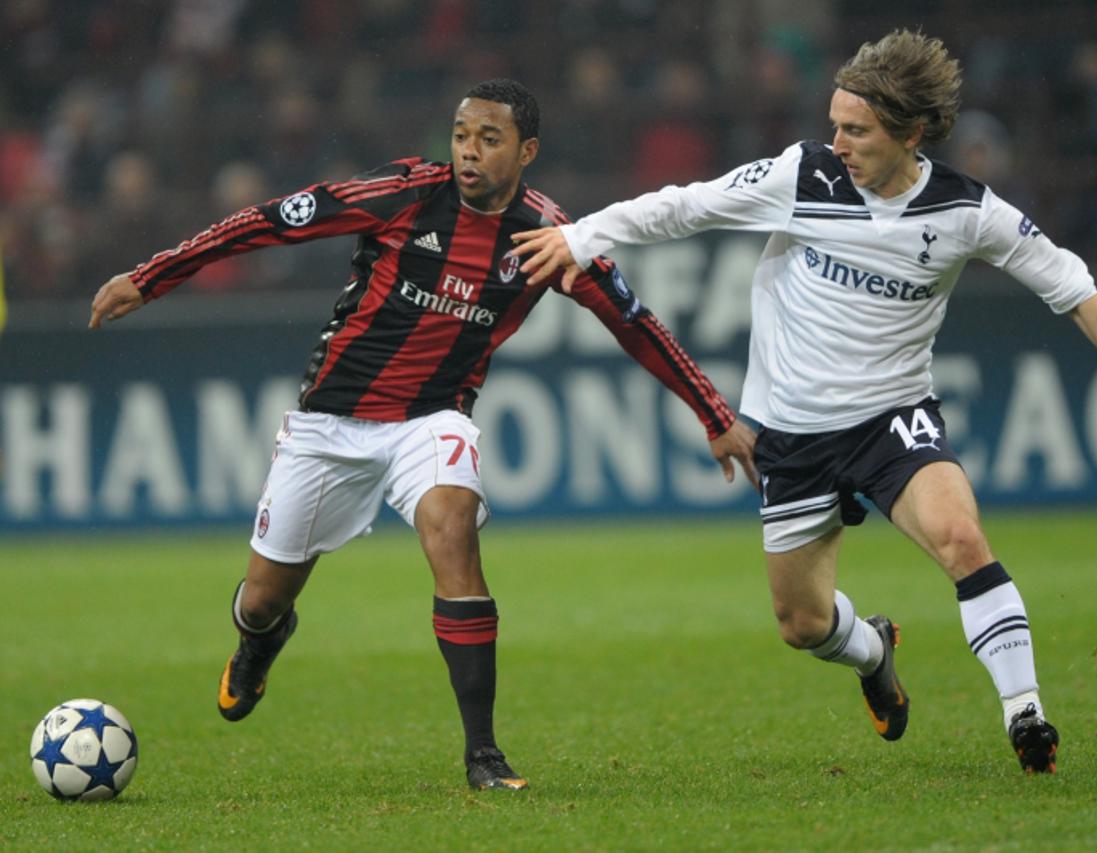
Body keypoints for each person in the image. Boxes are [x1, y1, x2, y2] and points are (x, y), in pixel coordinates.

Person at [512, 32, 1097, 775]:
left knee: (961, 538)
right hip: (794, 432)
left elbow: (1072, 286)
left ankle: (1025, 712)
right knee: (803, 623)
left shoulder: (967, 211)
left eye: (856, 129)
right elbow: (685, 207)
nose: (836, 140)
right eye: (835, 122)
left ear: (911, 133)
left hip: (892, 420)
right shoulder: (802, 174)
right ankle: (873, 649)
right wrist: (579, 237)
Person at [88, 78, 757, 791]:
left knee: (452, 528)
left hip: (432, 419)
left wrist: (713, 411)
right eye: (462, 136)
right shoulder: (404, 193)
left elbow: (630, 318)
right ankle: (262, 640)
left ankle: (484, 755)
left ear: (526, 150)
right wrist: (151, 276)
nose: (469, 152)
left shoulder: (545, 235)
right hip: (328, 425)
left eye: (489, 140)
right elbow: (270, 220)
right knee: (261, 599)